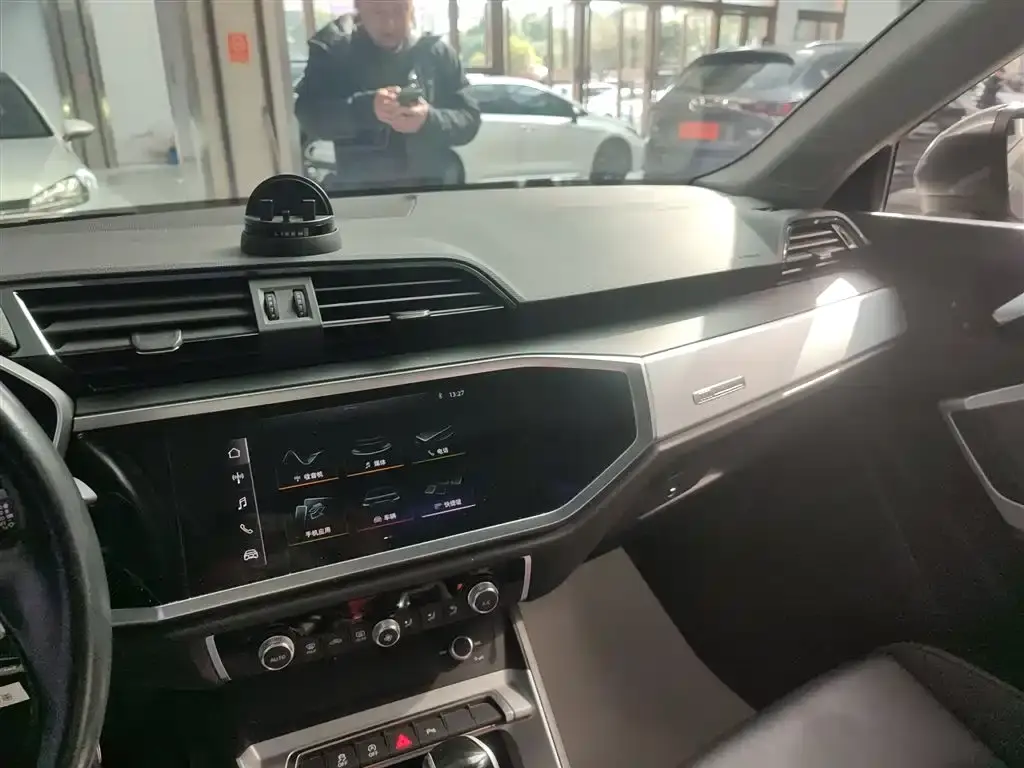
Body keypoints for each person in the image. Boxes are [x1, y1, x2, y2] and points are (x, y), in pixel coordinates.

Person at [294, 0, 481, 191]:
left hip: (432, 191)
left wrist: (428, 119)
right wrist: (367, 109)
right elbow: (309, 115)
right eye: (378, 12)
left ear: (412, 7)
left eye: (400, 10)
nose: (390, 24)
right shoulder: (335, 51)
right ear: (359, 7)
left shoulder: (436, 53)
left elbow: (469, 118)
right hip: (363, 195)